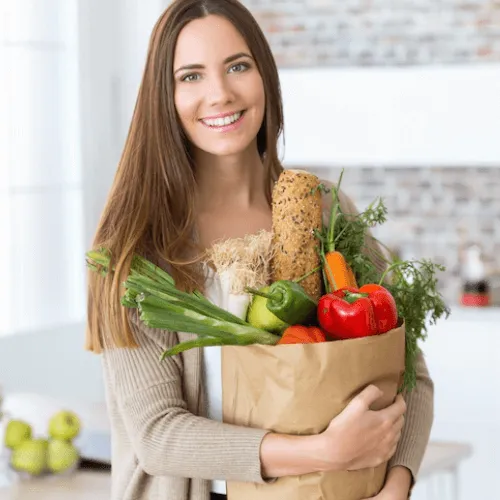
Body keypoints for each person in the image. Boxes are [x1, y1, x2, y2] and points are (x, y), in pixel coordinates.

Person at [85, 1, 434, 499]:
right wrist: (324, 451)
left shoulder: (327, 212)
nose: (220, 93)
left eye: (237, 66)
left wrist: (396, 485)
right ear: (164, 95)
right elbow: (157, 435)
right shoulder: (136, 245)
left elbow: (409, 371)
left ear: (264, 74)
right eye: (190, 76)